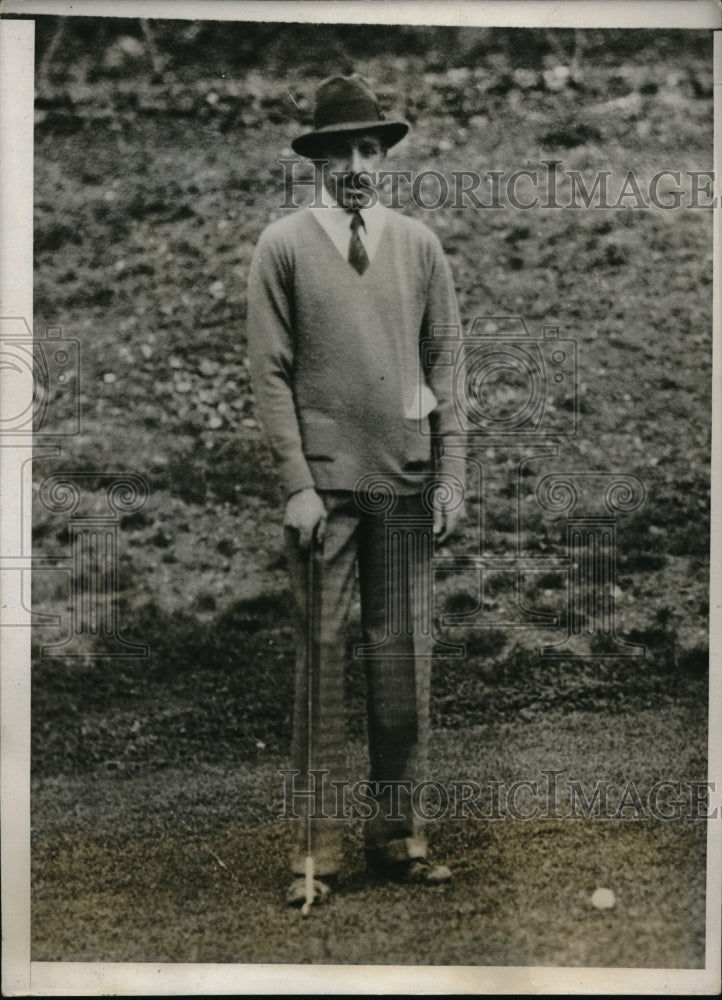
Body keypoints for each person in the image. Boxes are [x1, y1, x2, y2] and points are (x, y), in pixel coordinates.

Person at [247, 74, 464, 905]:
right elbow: (269, 376)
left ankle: (399, 837)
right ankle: (315, 856)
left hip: (403, 491)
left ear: (386, 157)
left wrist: (451, 476)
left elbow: (447, 366)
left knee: (401, 668)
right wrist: (297, 484)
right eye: (338, 151)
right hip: (326, 500)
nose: (355, 165)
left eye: (369, 149)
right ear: (316, 162)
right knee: (324, 670)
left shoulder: (419, 246)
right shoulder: (282, 248)